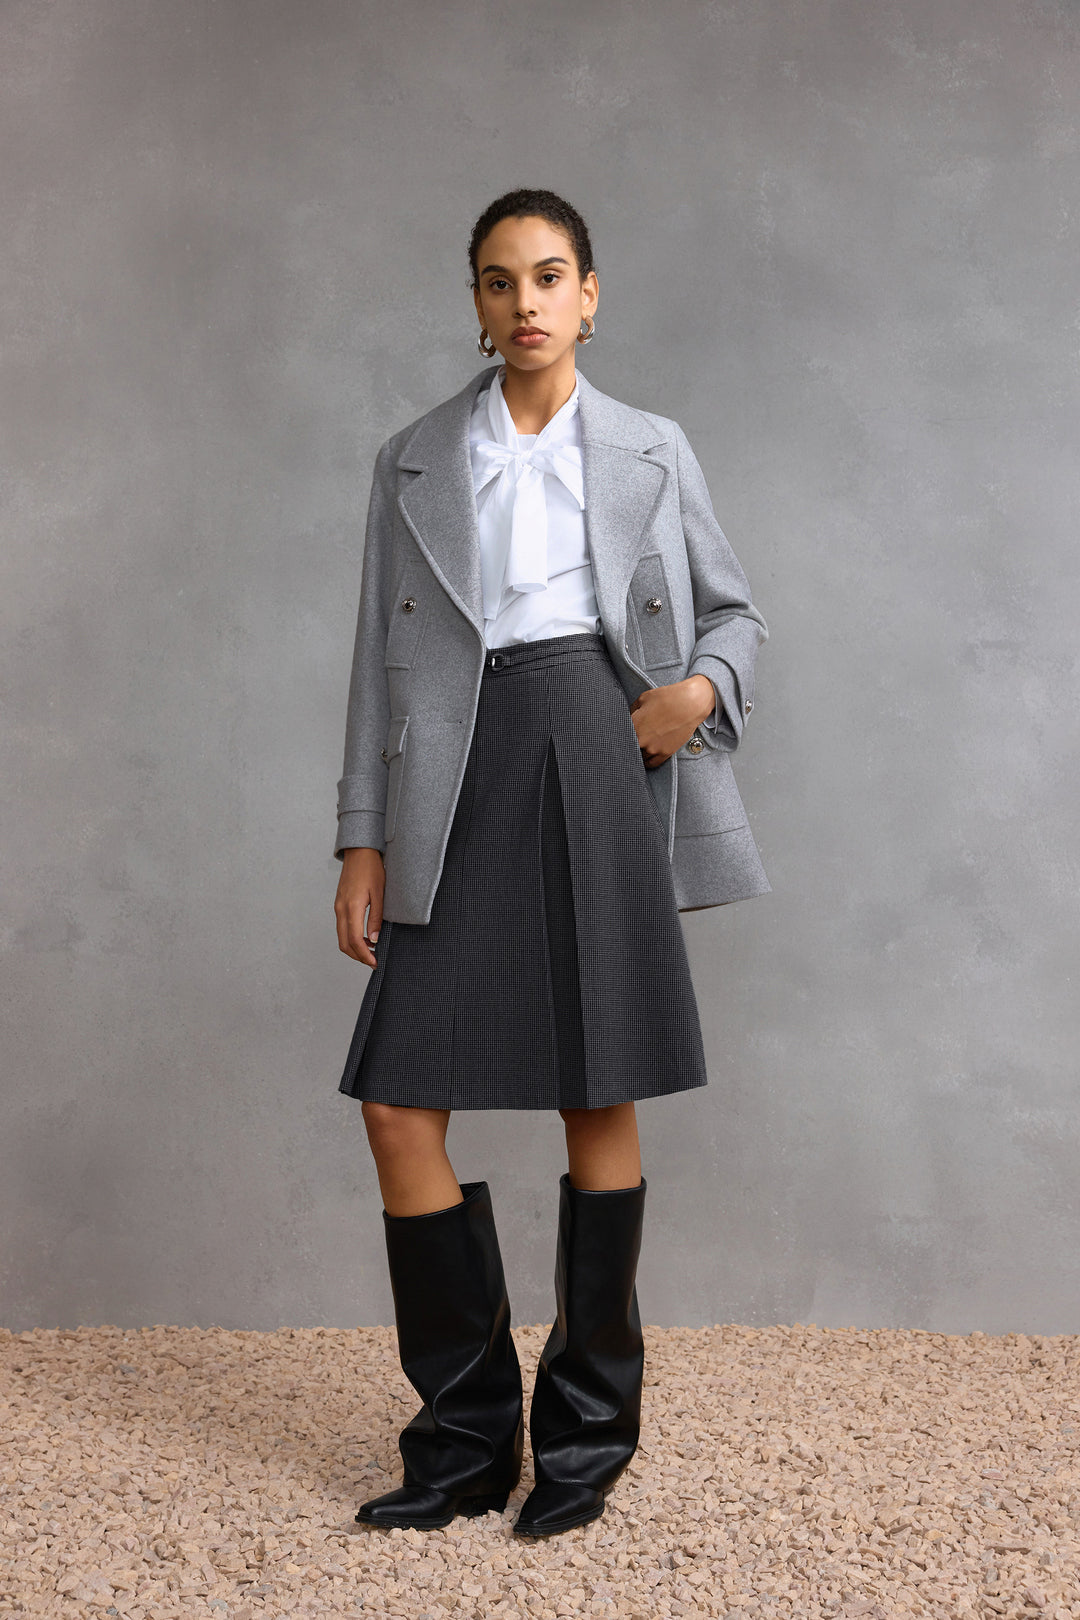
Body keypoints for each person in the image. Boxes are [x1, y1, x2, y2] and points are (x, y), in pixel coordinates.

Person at [332, 188, 770, 1538]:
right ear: (476, 304)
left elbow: (737, 614)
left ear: (589, 296)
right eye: (498, 279)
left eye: (548, 275)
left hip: (598, 745)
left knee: (598, 1087)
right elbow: (376, 662)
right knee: (398, 1101)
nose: (524, 301)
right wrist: (360, 835)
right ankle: (466, 1438)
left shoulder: (651, 447)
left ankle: (586, 1436)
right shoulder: (413, 458)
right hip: (452, 774)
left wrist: (696, 695)